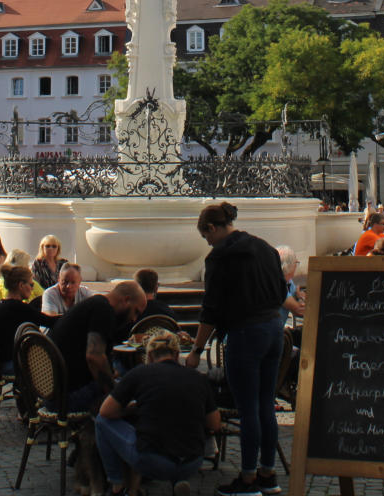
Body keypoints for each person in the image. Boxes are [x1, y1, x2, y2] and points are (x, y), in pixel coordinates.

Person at [186, 202, 286, 496]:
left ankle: (248, 479)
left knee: (248, 409)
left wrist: (195, 350)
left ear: (213, 228)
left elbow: (211, 310)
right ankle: (269, 474)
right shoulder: (265, 247)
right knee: (266, 404)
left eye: (206, 236)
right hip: (274, 330)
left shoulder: (220, 257)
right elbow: (282, 291)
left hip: (245, 334)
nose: (207, 242)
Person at [95, 329, 222, 496]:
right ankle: (179, 479)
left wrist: (133, 408)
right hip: (193, 461)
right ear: (177, 355)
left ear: (149, 356)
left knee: (101, 421)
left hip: (153, 460)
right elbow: (215, 424)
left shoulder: (140, 373)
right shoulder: (197, 377)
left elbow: (106, 411)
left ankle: (117, 487)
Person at [48, 280, 146, 411]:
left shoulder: (94, 304)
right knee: (140, 400)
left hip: (52, 394)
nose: (134, 319)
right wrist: (116, 398)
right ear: (126, 300)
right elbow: (94, 357)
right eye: (136, 312)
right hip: (68, 398)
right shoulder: (104, 310)